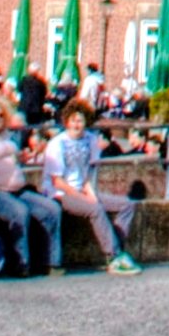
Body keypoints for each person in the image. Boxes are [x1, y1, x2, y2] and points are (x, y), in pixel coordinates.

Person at [42, 101, 140, 275]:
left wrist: (91, 194)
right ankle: (114, 255)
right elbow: (57, 181)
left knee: (127, 205)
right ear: (66, 122)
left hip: (82, 188)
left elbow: (88, 174)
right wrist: (83, 198)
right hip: (60, 193)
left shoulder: (91, 140)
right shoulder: (57, 144)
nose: (77, 125)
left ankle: (117, 249)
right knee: (94, 209)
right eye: (73, 121)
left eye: (80, 121)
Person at [0, 101, 61, 277]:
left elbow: (9, 158)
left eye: (0, 115)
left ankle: (50, 262)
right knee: (19, 212)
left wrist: (20, 157)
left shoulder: (6, 136)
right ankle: (21, 263)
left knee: (51, 209)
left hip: (17, 188)